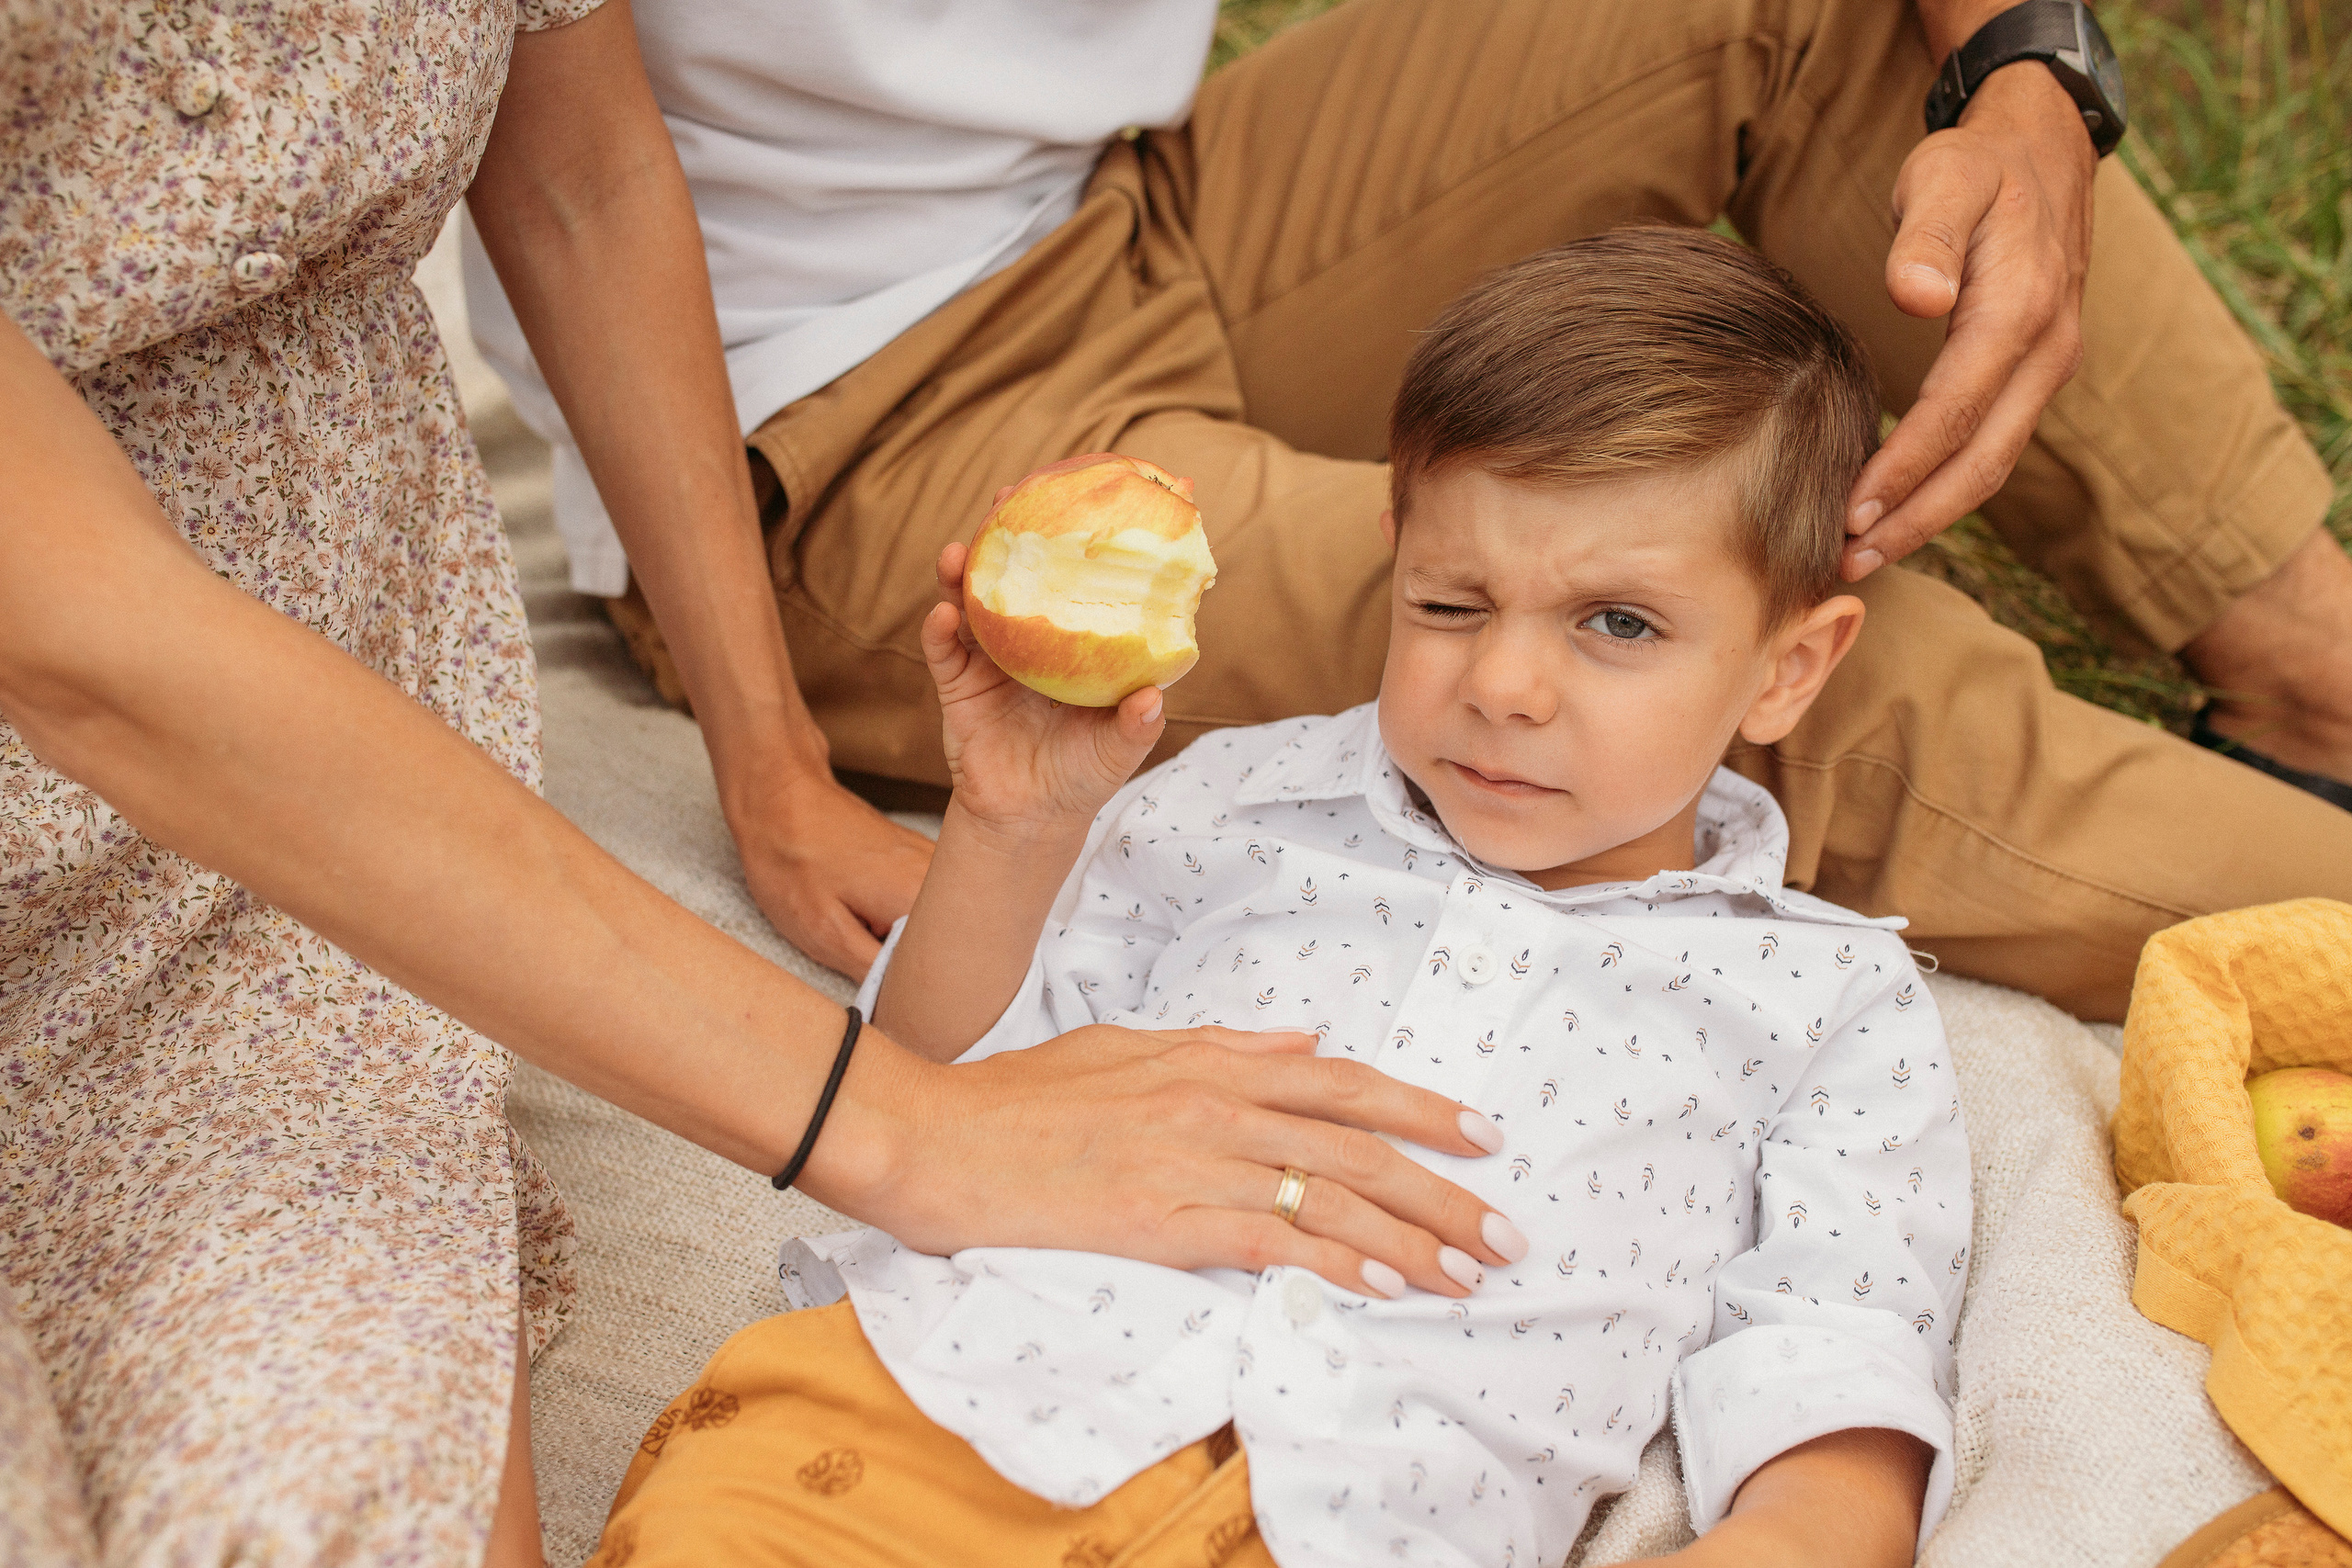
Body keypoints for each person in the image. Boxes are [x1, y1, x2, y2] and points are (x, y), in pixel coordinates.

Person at [0, 5, 1520, 1562]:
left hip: (322, 853)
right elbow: (94, 655)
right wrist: (916, 1132)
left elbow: (581, 169)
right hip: (92, 777)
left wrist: (772, 759)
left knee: (344, 1508)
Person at [468, 0, 2352, 1019]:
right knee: (1678, 649)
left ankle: (2312, 672)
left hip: (1132, 203)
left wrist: (2023, 60)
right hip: (845, 406)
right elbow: (563, 179)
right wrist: (768, 767)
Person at [590, 231, 1973, 1568]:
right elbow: (935, 1093)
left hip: (1355, 1522)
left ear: (1792, 667)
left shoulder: (1829, 999)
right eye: (1449, 604)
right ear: (1394, 553)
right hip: (929, 1404)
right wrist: (1010, 828)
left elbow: (1833, 1347)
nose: (1503, 686)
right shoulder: (1232, 805)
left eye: (1619, 625)